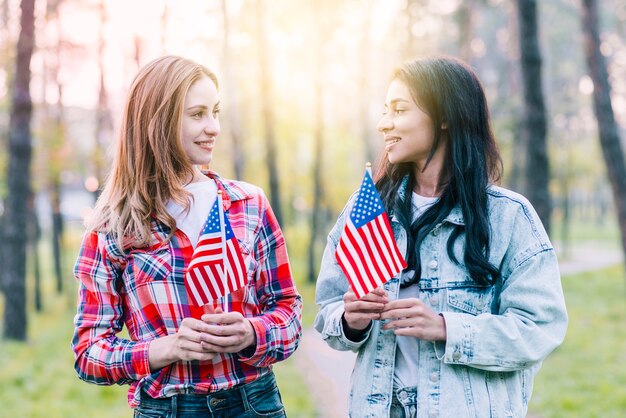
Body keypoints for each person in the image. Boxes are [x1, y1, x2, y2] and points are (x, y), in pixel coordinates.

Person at [314, 56, 567, 418]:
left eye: (399, 110)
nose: (384, 124)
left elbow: (540, 328)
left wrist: (447, 327)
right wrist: (350, 320)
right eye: (385, 111)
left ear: (445, 117)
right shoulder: (367, 210)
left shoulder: (509, 216)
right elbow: (328, 311)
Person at [72, 55, 302, 418]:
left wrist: (252, 333)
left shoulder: (249, 204)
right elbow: (88, 354)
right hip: (167, 408)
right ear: (157, 122)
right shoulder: (111, 228)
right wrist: (166, 348)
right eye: (197, 114)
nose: (214, 127)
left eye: (216, 112)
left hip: (253, 402)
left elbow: (288, 313)